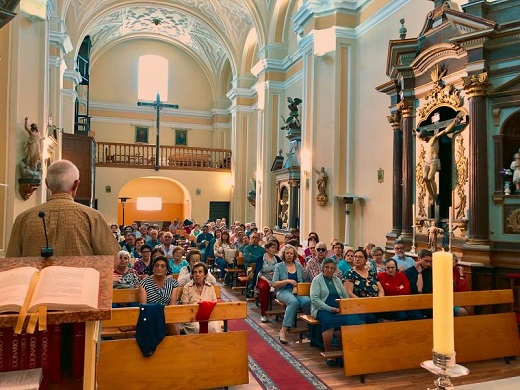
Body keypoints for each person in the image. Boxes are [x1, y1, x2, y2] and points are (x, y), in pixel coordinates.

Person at [6, 159, 121, 257]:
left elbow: (11, 261)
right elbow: (113, 258)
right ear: (76, 184)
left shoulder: (23, 218)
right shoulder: (92, 216)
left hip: (35, 283)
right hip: (79, 282)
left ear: (47, 184)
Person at [310, 258, 364, 365]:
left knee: (353, 319)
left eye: (332, 268)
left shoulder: (337, 280)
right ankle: (328, 353)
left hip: (338, 308)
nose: (329, 270)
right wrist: (330, 309)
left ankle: (347, 352)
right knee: (329, 321)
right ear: (323, 268)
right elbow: (315, 299)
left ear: (335, 270)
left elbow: (345, 296)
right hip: (322, 309)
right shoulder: (317, 280)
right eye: (327, 267)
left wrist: (344, 308)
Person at [421, 112, 464, 203]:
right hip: (427, 161)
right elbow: (418, 133)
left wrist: (454, 122)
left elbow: (445, 131)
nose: (423, 140)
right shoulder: (428, 141)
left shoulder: (434, 138)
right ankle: (431, 195)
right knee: (424, 177)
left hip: (434, 161)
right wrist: (415, 131)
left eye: (423, 138)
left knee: (430, 178)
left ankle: (435, 196)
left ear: (425, 135)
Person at [272, 244, 310, 344]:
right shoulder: (279, 266)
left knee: (307, 301)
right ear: (284, 254)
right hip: (283, 290)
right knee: (293, 302)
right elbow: (274, 283)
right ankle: (283, 330)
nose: (289, 255)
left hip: (298, 291)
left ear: (294, 255)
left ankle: (311, 330)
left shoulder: (299, 266)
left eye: (291, 253)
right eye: (287, 253)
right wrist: (287, 281)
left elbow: (304, 280)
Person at [139, 255, 179, 335]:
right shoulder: (144, 283)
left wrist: (162, 315)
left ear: (166, 269)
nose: (159, 268)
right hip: (149, 313)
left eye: (162, 266)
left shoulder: (173, 283)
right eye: (156, 265)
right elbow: (143, 305)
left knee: (172, 323)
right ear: (153, 268)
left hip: (167, 314)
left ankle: (177, 345)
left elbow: (172, 305)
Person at [344, 249, 384, 324]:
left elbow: (380, 289)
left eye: (360, 257)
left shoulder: (371, 272)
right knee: (372, 318)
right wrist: (363, 303)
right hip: (359, 306)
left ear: (366, 260)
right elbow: (348, 292)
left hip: (375, 304)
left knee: (393, 314)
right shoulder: (349, 274)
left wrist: (380, 300)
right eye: (355, 257)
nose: (357, 259)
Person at [180, 262, 220, 334]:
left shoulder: (210, 287)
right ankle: (197, 345)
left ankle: (212, 345)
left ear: (205, 275)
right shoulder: (187, 287)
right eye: (195, 272)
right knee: (197, 328)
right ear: (192, 275)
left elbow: (215, 306)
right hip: (192, 317)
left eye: (200, 272)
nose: (197, 274)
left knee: (214, 328)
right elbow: (184, 307)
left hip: (209, 317)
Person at [252, 241, 282, 323]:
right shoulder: (261, 258)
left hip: (275, 278)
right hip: (263, 278)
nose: (274, 249)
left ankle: (285, 313)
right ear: (267, 249)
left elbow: (281, 269)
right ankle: (263, 313)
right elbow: (258, 273)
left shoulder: (278, 259)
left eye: (275, 248)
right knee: (265, 287)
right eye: (272, 248)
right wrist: (268, 281)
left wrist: (275, 274)